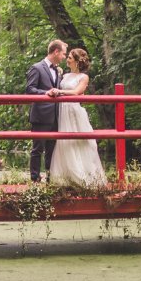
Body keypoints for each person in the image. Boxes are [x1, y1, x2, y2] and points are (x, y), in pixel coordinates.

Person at [48, 49, 110, 188]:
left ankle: (84, 178)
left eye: (69, 57)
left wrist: (60, 92)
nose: (67, 59)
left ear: (76, 61)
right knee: (65, 141)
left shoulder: (83, 77)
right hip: (63, 110)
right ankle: (67, 178)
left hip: (74, 111)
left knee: (80, 141)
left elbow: (77, 92)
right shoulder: (64, 75)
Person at [24, 39, 67, 182]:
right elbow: (30, 90)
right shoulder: (37, 68)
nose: (64, 57)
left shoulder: (58, 70)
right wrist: (46, 93)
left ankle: (50, 178)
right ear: (56, 52)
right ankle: (35, 179)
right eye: (63, 54)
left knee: (52, 150)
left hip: (55, 115)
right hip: (41, 115)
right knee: (37, 149)